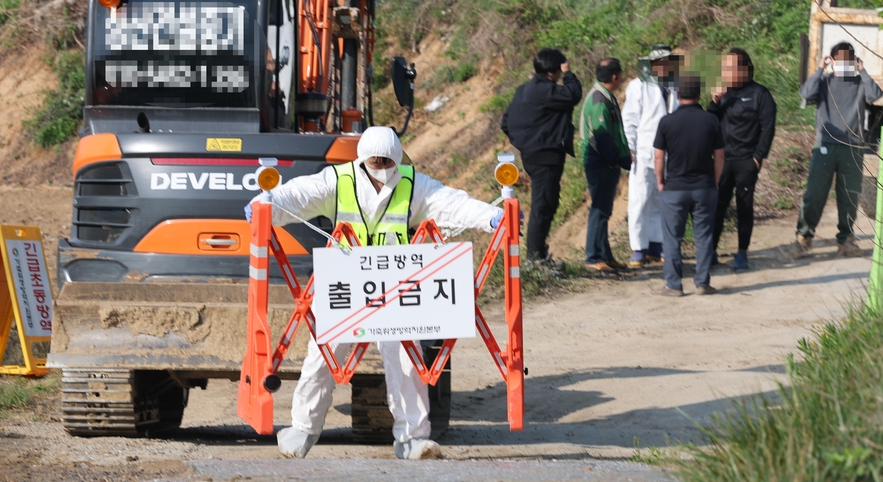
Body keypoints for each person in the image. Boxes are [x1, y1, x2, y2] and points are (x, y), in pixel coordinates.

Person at [245, 126, 504, 460]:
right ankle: (303, 428)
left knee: (406, 358)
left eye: (386, 161)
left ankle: (412, 437)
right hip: (346, 283)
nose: (380, 166)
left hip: (396, 285)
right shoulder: (338, 180)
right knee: (324, 353)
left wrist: (492, 216)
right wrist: (266, 205)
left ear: (397, 159)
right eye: (374, 160)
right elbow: (298, 195)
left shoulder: (413, 184)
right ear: (362, 158)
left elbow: (452, 204)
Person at [793, 42, 882, 259]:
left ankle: (846, 240)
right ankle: (803, 238)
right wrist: (819, 69)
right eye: (839, 59)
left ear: (855, 61)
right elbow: (805, 93)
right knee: (814, 194)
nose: (844, 63)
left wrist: (863, 71)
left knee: (849, 197)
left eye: (849, 60)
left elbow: (875, 95)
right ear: (831, 60)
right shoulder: (824, 81)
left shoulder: (861, 82)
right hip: (825, 144)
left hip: (853, 146)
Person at [501, 48, 583, 264]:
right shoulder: (547, 90)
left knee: (548, 202)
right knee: (543, 204)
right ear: (550, 73)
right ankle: (535, 259)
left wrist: (524, 143)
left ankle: (538, 254)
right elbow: (573, 94)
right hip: (546, 157)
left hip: (533, 156)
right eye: (559, 70)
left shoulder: (523, 90)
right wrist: (569, 74)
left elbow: (506, 121)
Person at [652, 75, 725, 297]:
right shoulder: (711, 120)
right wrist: (715, 180)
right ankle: (702, 283)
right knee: (703, 236)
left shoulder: (667, 121)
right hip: (704, 186)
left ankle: (674, 285)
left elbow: (658, 156)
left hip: (674, 188)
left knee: (673, 238)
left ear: (676, 95)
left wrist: (660, 181)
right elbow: (720, 155)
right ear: (699, 95)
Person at [707, 48, 777, 272]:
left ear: (745, 69)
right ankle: (711, 251)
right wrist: (714, 102)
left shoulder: (760, 94)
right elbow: (709, 124)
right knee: (717, 206)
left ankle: (742, 252)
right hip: (723, 161)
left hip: (747, 161)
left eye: (730, 67)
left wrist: (758, 158)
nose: (725, 72)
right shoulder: (723, 93)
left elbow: (768, 128)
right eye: (724, 68)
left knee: (744, 208)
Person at [622, 45, 680, 268]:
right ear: (652, 64)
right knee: (640, 199)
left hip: (670, 152)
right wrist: (631, 148)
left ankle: (658, 243)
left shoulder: (676, 84)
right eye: (660, 62)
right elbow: (630, 119)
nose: (665, 65)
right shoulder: (638, 86)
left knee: (662, 199)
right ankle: (639, 247)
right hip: (644, 151)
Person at [580, 58, 632, 271]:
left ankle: (605, 255)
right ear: (615, 77)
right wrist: (614, 161)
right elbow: (602, 137)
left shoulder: (602, 95)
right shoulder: (600, 100)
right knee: (600, 209)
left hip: (603, 162)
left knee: (604, 209)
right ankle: (593, 257)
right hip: (600, 162)